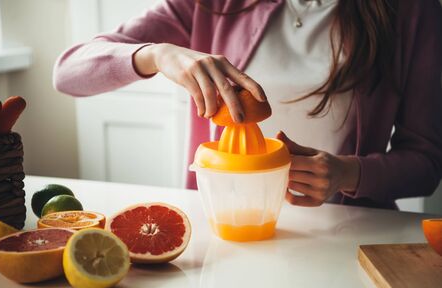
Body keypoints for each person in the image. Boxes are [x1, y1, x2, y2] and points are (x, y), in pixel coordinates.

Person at [53, 0, 442, 209]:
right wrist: (157, 55)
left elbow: (427, 164)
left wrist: (348, 174)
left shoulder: (411, 11)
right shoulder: (208, 4)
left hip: (346, 233)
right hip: (225, 229)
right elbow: (68, 73)